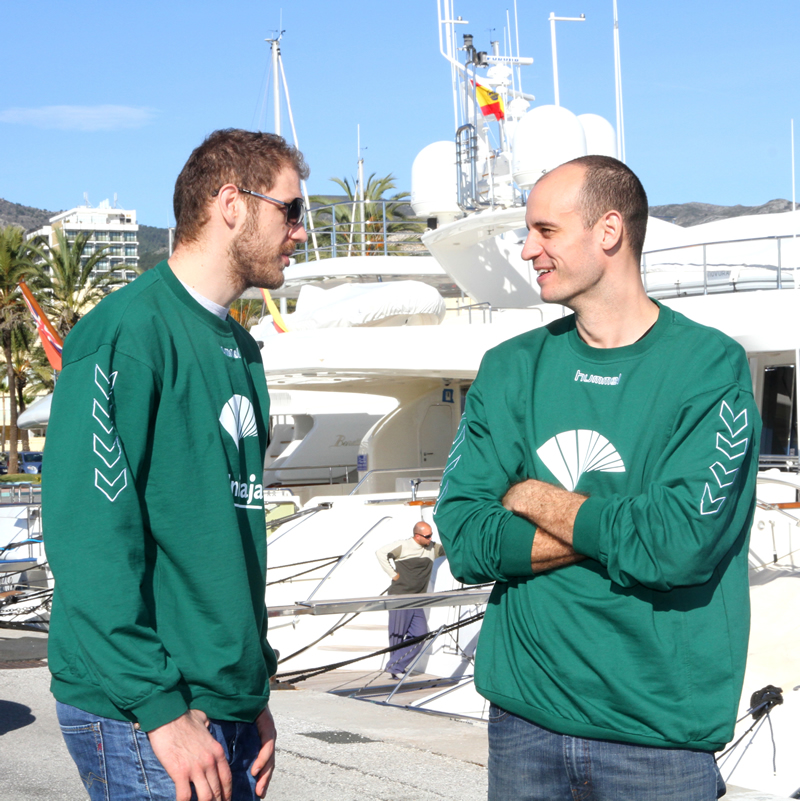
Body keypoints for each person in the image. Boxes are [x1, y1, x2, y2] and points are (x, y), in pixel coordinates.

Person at [433, 155, 760, 801]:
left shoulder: (708, 366)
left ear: (609, 230)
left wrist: (531, 496)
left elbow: (679, 544)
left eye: (545, 231)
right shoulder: (510, 367)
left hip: (658, 737)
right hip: (524, 723)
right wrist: (627, 520)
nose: (528, 249)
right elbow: (466, 536)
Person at [43, 129, 309, 801]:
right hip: (145, 709)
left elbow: (228, 536)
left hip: (224, 703)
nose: (301, 232)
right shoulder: (125, 334)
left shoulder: (242, 351)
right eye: (292, 210)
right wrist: (159, 705)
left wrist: (250, 688)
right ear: (231, 203)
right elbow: (89, 539)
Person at [375, 521, 445, 679]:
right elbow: (380, 553)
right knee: (397, 635)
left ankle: (394, 666)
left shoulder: (432, 548)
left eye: (431, 535)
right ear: (417, 536)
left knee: (421, 635)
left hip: (417, 599)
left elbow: (450, 550)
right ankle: (396, 669)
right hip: (400, 597)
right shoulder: (403, 546)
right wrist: (393, 574)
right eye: (427, 536)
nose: (430, 538)